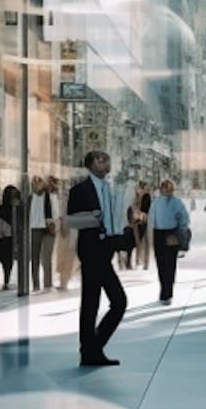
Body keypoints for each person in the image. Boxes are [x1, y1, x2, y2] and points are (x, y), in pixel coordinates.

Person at [68, 150, 127, 365]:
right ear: (91, 164)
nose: (106, 163)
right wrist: (93, 218)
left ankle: (90, 350)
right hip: (92, 252)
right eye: (101, 160)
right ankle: (92, 349)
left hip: (107, 249)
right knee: (117, 301)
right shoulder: (79, 190)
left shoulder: (110, 188)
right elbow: (72, 221)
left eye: (107, 159)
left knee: (92, 302)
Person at [149, 178, 191, 304]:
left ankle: (167, 294)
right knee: (161, 264)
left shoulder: (177, 202)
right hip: (158, 234)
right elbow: (151, 219)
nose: (167, 191)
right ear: (161, 189)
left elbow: (185, 218)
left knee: (170, 264)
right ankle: (163, 290)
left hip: (171, 233)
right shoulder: (156, 202)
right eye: (165, 188)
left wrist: (180, 229)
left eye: (170, 188)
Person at [29, 174, 57, 291]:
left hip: (49, 228)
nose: (37, 184)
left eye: (39, 181)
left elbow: (56, 212)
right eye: (35, 182)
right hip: (35, 228)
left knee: (47, 257)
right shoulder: (30, 197)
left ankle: (48, 284)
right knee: (34, 257)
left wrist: (54, 224)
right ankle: (35, 284)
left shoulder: (50, 196)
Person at [0, 184, 20, 289]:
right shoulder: (10, 209)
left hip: (7, 238)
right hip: (8, 238)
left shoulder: (4, 208)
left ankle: (7, 281)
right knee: (7, 261)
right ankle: (7, 281)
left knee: (7, 262)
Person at [132, 182, 152, 270]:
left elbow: (146, 210)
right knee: (138, 241)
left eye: (139, 188)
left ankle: (144, 262)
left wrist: (140, 215)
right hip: (137, 221)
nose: (138, 190)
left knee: (144, 241)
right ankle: (138, 260)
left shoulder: (146, 196)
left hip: (144, 221)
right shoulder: (136, 198)